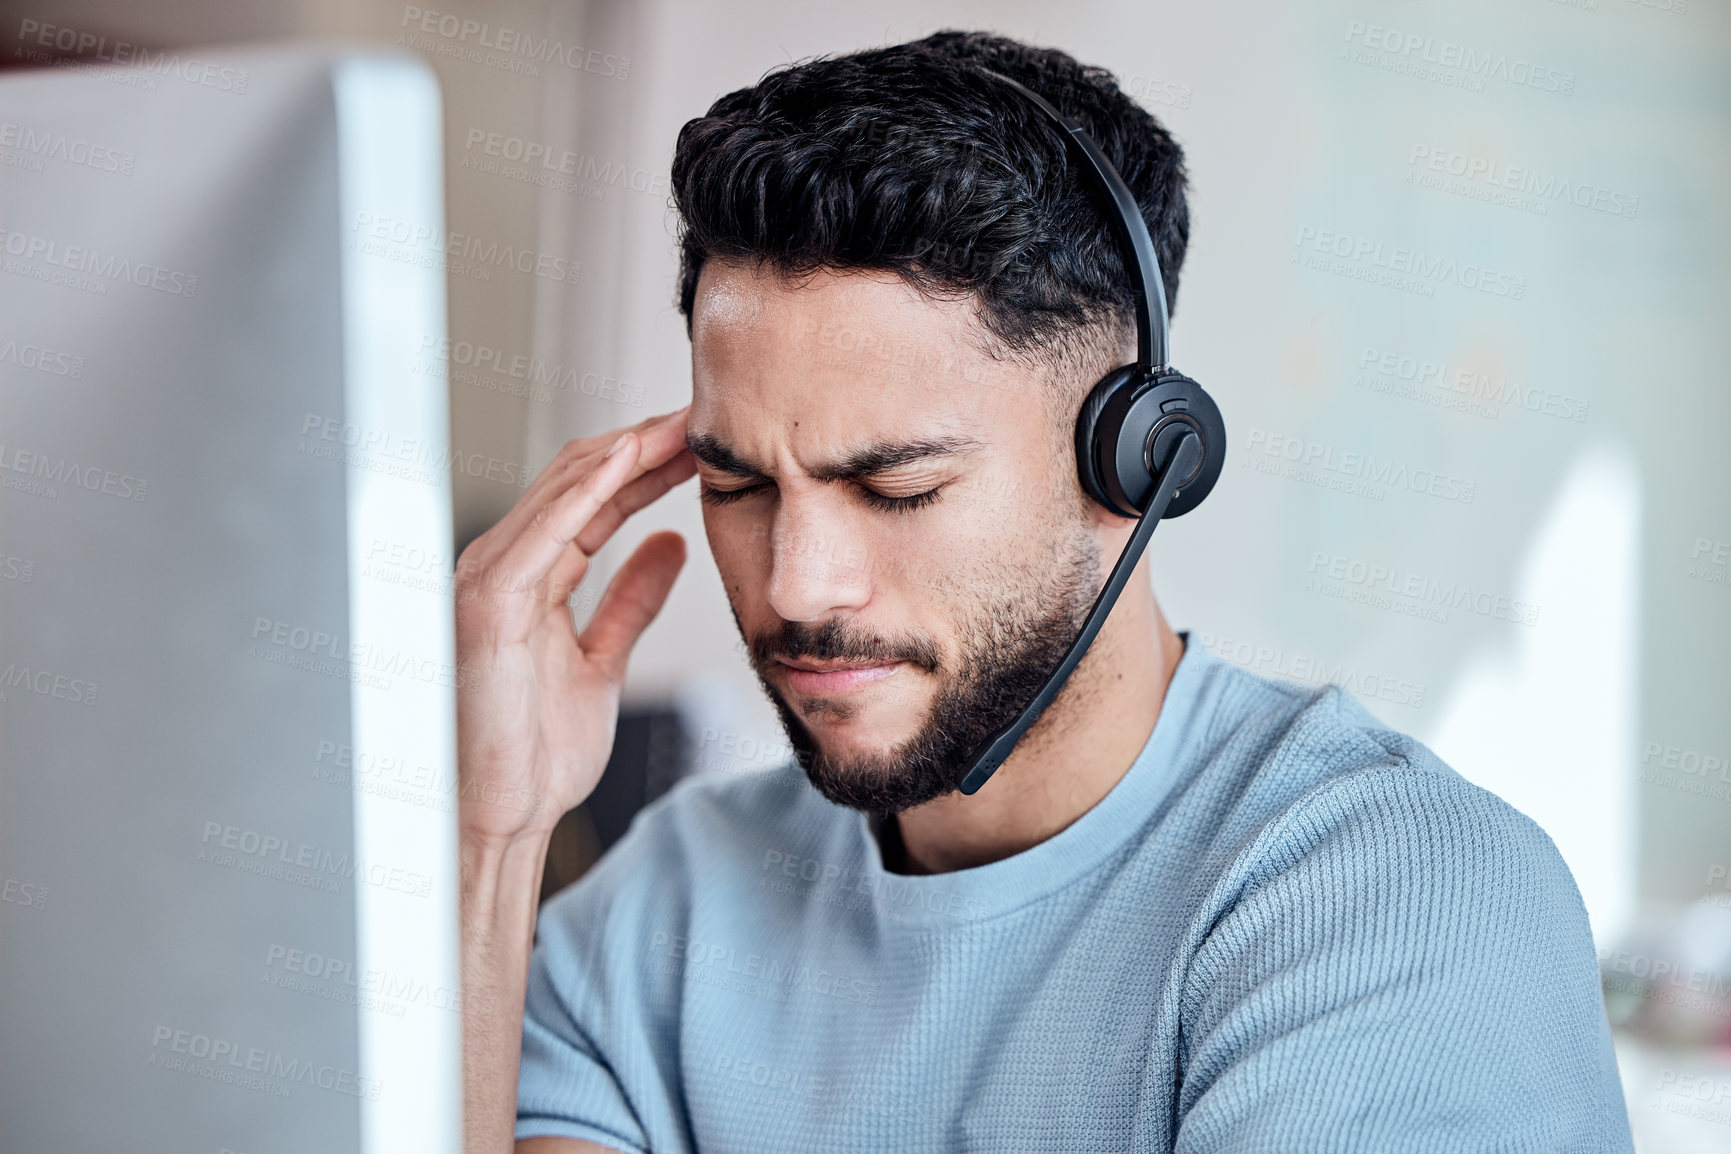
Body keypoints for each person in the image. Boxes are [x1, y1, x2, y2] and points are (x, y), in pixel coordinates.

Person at [455, 30, 1634, 1154]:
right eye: (735, 481)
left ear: (1141, 461)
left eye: (898, 485)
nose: (796, 583)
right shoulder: (667, 909)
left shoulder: (1390, 898)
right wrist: (492, 827)